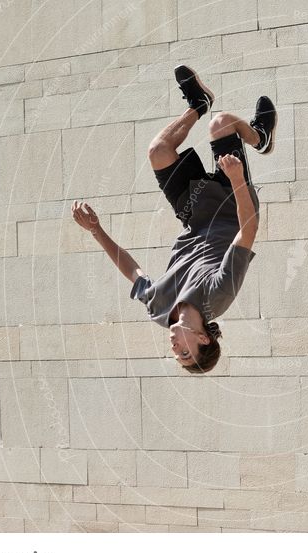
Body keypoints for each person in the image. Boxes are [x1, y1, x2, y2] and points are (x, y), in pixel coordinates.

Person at [71, 64, 277, 373]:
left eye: (175, 354)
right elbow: (248, 230)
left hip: (193, 213)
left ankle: (198, 104)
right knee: (222, 125)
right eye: (183, 353)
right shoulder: (217, 297)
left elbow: (133, 272)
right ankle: (260, 138)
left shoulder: (159, 310)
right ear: (203, 340)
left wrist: (96, 230)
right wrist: (235, 178)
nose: (174, 348)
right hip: (233, 205)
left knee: (159, 151)